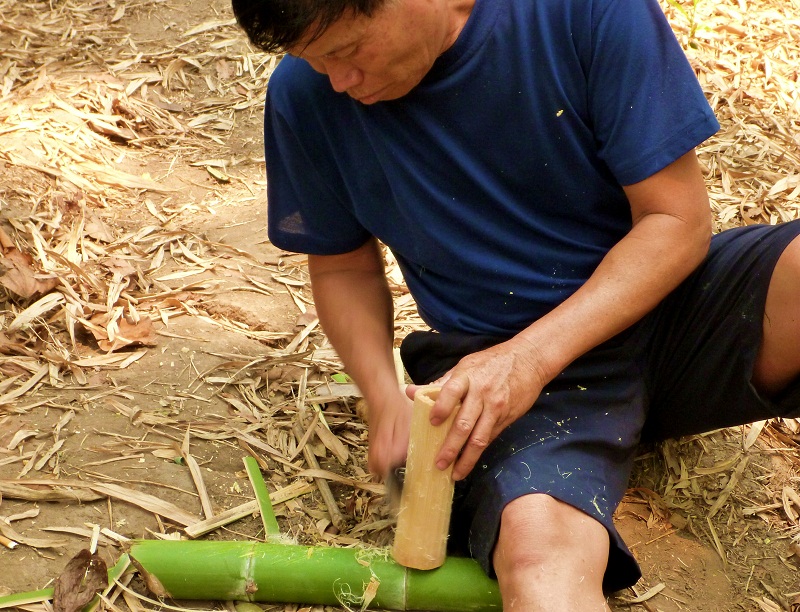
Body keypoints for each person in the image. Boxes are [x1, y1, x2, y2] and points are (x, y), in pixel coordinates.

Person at [231, 0, 800, 608]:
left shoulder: (587, 12)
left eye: (345, 52)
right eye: (314, 63)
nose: (339, 82)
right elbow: (342, 263)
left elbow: (676, 220)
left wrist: (528, 360)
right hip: (508, 382)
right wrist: (380, 397)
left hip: (660, 303)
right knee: (539, 554)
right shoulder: (306, 95)